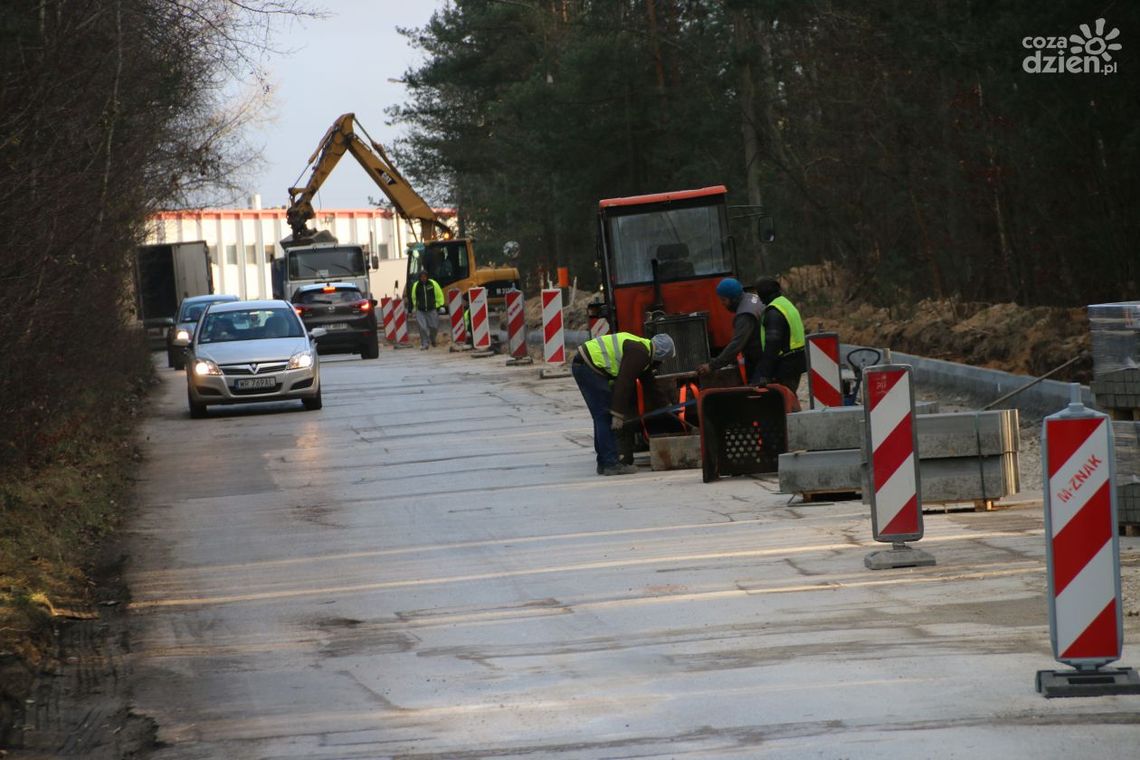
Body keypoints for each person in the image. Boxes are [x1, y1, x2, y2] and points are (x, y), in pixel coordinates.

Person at [572, 331, 676, 476]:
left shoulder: (643, 352)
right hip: (588, 367)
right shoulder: (640, 353)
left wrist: (667, 407)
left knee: (601, 416)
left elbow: (651, 386)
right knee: (604, 416)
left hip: (585, 365)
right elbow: (624, 382)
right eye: (665, 359)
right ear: (662, 354)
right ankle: (610, 464)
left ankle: (604, 462)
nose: (663, 363)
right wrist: (617, 414)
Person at [698, 277, 805, 392]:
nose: (722, 304)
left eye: (724, 300)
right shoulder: (753, 298)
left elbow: (737, 345)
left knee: (768, 398)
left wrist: (712, 365)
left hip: (779, 363)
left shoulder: (745, 314)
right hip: (792, 359)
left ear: (733, 298)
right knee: (787, 397)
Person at [410, 270, 444, 349]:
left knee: (434, 327)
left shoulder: (433, 284)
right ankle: (425, 344)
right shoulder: (416, 285)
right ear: (419, 278)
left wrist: (439, 305)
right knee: (423, 328)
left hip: (432, 309)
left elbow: (439, 295)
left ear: (427, 277)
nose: (423, 278)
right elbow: (414, 298)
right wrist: (415, 307)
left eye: (425, 277)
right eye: (421, 277)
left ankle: (432, 339)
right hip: (420, 310)